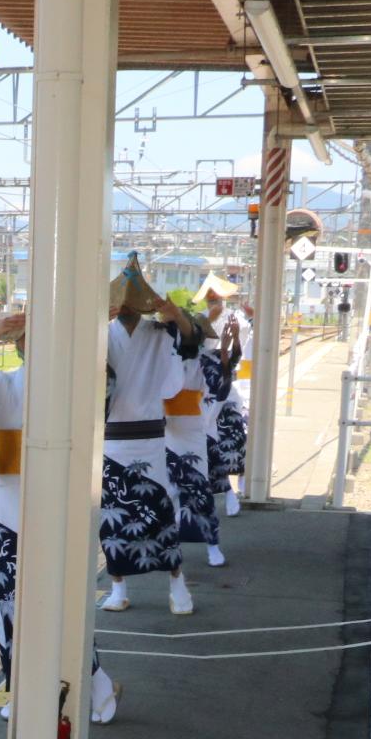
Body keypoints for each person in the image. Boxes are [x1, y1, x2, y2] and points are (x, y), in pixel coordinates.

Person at [0, 311, 121, 724]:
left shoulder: (75, 385)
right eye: (28, 338)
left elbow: (107, 380)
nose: (35, 344)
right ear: (19, 345)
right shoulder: (0, 383)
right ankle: (24, 690)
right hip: (6, 511)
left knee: (64, 603)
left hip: (59, 508)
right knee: (10, 606)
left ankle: (94, 680)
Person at [100, 259, 200, 615]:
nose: (125, 305)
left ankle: (177, 583)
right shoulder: (99, 334)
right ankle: (118, 586)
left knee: (160, 511)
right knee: (113, 517)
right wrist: (95, 321)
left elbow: (191, 341)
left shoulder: (160, 333)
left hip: (150, 438)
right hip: (111, 441)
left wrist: (178, 316)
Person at [164, 314, 223, 567]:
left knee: (199, 489)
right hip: (166, 433)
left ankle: (212, 544)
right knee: (168, 490)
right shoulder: (165, 359)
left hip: (192, 430)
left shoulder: (205, 361)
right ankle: (171, 540)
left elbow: (220, 385)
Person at [203, 290, 249, 517]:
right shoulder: (195, 353)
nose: (214, 303)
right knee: (214, 452)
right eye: (210, 300)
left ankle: (241, 482)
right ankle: (227, 491)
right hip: (204, 409)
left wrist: (232, 341)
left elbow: (232, 361)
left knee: (237, 441)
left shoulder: (231, 318)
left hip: (226, 404)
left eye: (216, 300)